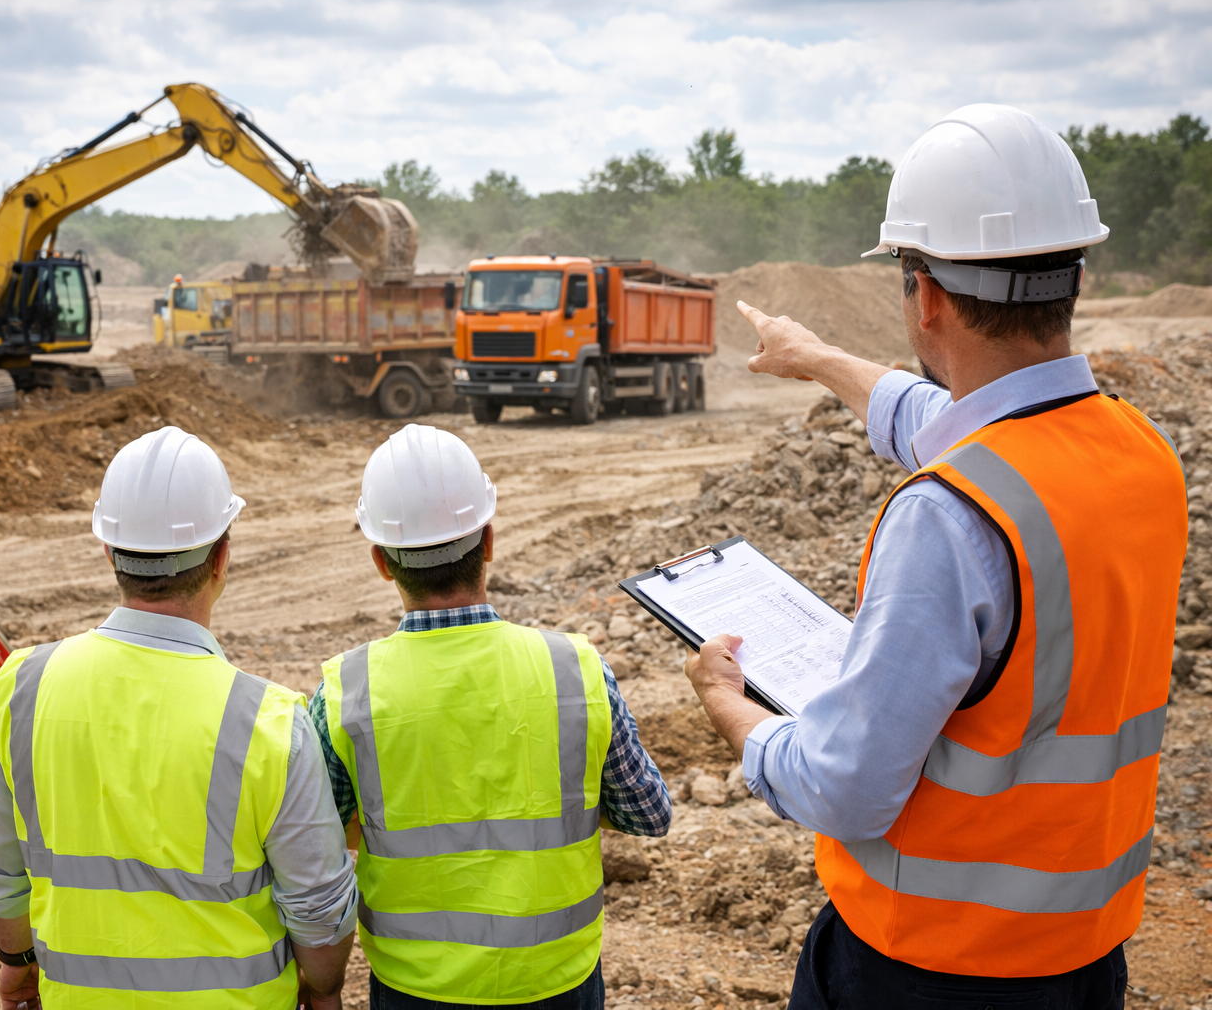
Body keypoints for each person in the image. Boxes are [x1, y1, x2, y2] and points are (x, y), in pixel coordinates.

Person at [685, 104, 1187, 1009]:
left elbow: (844, 791)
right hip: (1083, 958)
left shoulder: (948, 518)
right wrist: (818, 358)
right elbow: (956, 426)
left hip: (931, 971)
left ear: (925, 295)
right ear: (1074, 272)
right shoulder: (1139, 452)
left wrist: (733, 713)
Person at [0, 426, 358, 1010]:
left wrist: (19, 966)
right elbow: (318, 907)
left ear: (108, 552)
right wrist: (323, 989)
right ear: (222, 556)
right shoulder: (268, 721)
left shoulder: (26, 686)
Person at [310, 423, 672, 1008]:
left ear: (381, 561)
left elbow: (315, 846)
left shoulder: (344, 693)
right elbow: (649, 814)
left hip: (416, 988)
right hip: (557, 982)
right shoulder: (574, 670)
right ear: (490, 540)